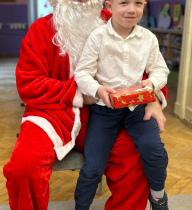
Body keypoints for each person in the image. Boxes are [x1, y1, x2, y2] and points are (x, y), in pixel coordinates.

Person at [3, 0, 168, 209]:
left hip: (108, 112)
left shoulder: (118, 21)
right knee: (23, 167)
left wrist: (153, 99)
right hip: (52, 114)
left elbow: (146, 70)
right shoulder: (40, 30)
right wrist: (77, 93)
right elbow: (29, 83)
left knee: (134, 158)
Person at [73, 0, 169, 209]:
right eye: (124, 2)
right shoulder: (97, 37)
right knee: (93, 166)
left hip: (137, 108)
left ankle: (158, 196)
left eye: (138, 3)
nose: (131, 9)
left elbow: (160, 69)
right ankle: (81, 206)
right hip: (104, 109)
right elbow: (82, 73)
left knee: (154, 150)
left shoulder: (148, 38)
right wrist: (97, 89)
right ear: (109, 6)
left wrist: (152, 83)